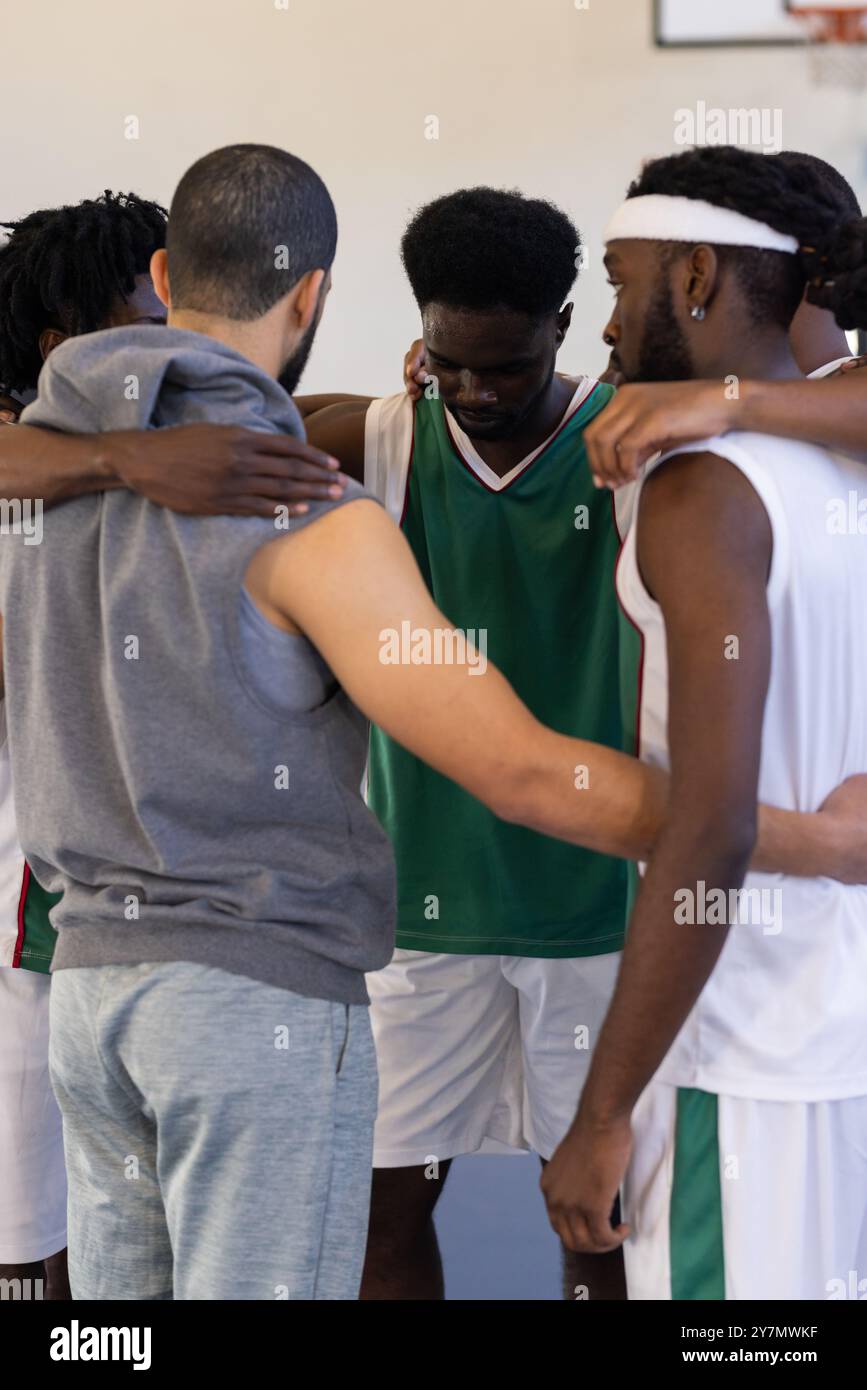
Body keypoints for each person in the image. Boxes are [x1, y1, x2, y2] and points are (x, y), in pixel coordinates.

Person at [541, 143, 867, 1301]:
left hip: (737, 1057)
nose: (610, 330)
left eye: (623, 284)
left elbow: (714, 825)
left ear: (692, 278)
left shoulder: (705, 488)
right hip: (838, 1035)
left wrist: (602, 1110)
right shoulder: (842, 466)